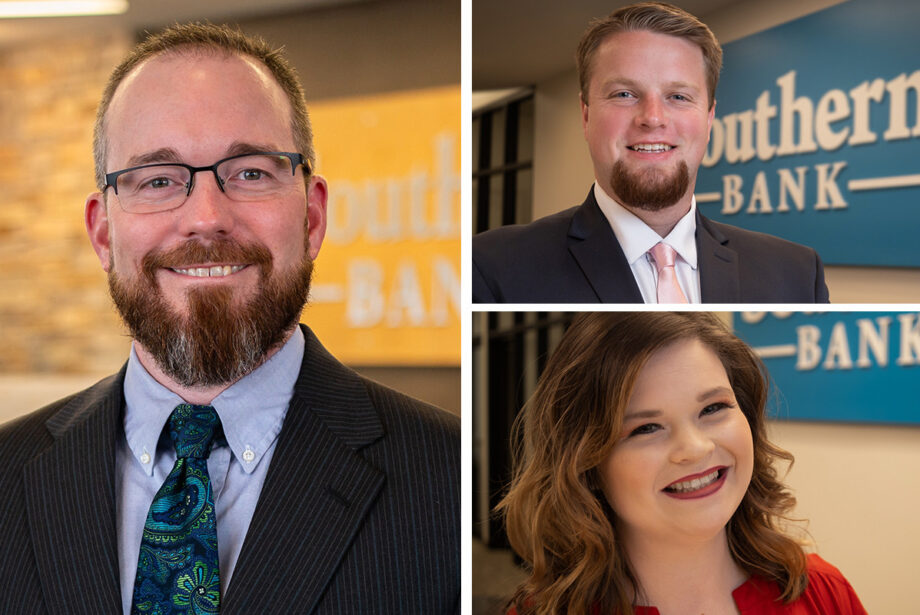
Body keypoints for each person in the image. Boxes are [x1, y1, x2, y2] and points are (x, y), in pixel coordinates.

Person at [0, 23, 459, 614]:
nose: (206, 217)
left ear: (312, 218)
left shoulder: (448, 483)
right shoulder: (7, 476)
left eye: (250, 173)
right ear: (103, 230)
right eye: (158, 180)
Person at [497, 312, 865, 614]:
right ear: (586, 465)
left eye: (713, 408)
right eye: (646, 428)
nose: (695, 448)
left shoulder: (823, 593)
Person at [473, 2, 829, 303]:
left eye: (678, 96)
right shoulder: (495, 267)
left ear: (709, 118)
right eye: (624, 94)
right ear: (586, 115)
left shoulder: (796, 274)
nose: (653, 118)